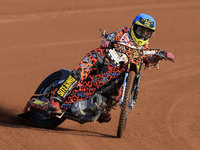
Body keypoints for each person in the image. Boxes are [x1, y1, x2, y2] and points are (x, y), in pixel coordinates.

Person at [30, 13, 175, 123]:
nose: (143, 35)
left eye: (147, 32)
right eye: (141, 30)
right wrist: (107, 41)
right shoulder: (123, 32)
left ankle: (100, 109)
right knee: (79, 73)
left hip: (116, 71)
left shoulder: (145, 47)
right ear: (134, 27)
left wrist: (160, 56)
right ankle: (56, 99)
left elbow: (148, 59)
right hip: (102, 59)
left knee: (116, 91)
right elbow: (110, 37)